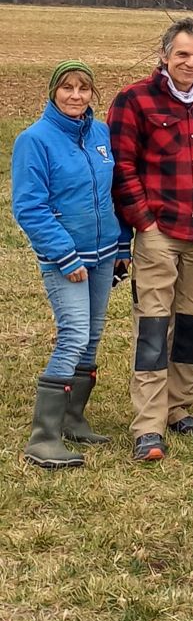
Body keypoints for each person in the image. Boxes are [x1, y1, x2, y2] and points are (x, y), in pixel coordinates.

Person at [108, 16, 193, 462]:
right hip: (159, 231)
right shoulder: (135, 100)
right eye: (182, 54)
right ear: (165, 55)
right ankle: (148, 424)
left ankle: (178, 408)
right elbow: (122, 168)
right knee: (153, 326)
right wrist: (143, 222)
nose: (190, 62)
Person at [12, 61, 131, 468]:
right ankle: (43, 438)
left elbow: (113, 193)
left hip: (103, 254)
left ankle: (73, 418)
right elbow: (29, 206)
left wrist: (122, 245)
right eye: (67, 88)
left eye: (83, 88)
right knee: (74, 334)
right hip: (66, 259)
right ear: (53, 92)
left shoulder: (100, 134)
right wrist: (65, 255)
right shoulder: (35, 140)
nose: (76, 96)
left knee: (93, 336)